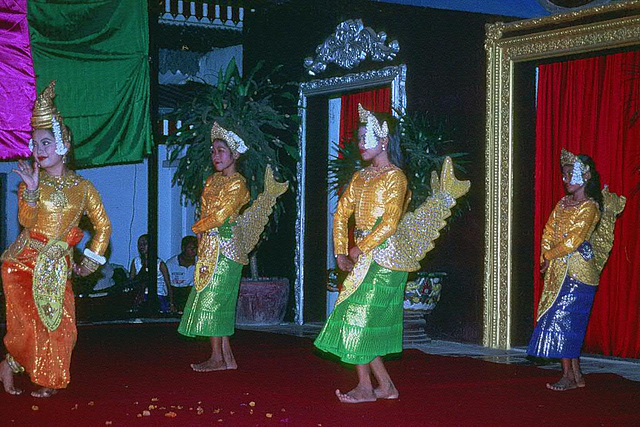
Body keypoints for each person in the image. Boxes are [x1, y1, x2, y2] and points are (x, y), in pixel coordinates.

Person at [314, 104, 469, 403]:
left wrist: (360, 248)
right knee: (353, 317)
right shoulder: (360, 177)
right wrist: (340, 251)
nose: (360, 144)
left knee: (359, 318)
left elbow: (389, 222)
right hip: (362, 256)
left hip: (387, 259)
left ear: (383, 141)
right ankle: (384, 386)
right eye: (358, 138)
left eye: (365, 137)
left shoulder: (395, 178)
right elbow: (340, 213)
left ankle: (365, 387)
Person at [0, 81, 112, 397]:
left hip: (57, 263)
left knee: (62, 326)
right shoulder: (30, 183)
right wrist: (32, 191)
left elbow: (103, 227)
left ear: (63, 145)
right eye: (36, 145)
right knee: (28, 326)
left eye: (47, 143)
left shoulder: (84, 187)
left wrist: (91, 260)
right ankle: (26, 369)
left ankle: (22, 367)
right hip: (21, 263)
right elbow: (25, 220)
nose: (40, 151)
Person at [178, 122, 287, 372]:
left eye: (221, 151)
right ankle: (226, 358)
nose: (215, 156)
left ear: (235, 154)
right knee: (216, 299)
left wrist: (197, 228)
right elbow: (207, 211)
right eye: (213, 151)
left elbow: (221, 215)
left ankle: (217, 358)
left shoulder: (238, 184)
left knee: (215, 301)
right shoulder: (211, 181)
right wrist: (202, 233)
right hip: (209, 247)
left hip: (227, 249)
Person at [527, 149, 625, 391]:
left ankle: (569, 377)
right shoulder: (563, 203)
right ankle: (576, 376)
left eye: (572, 174)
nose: (566, 179)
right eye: (564, 175)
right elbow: (549, 230)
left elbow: (574, 240)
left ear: (587, 175)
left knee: (567, 323)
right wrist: (545, 253)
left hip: (579, 273)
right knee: (564, 321)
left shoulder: (590, 206)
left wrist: (549, 255)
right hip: (560, 270)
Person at [129, 234, 174, 314]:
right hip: (140, 296)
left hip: (158, 296)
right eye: (139, 244)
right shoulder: (136, 261)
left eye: (144, 244)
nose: (141, 246)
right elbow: (131, 282)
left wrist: (171, 303)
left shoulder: (160, 264)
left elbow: (168, 285)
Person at [166, 235, 197, 313]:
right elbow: (167, 286)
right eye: (191, 248)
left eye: (196, 248)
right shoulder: (171, 264)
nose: (194, 251)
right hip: (176, 294)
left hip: (192, 295)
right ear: (183, 248)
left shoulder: (200, 263)